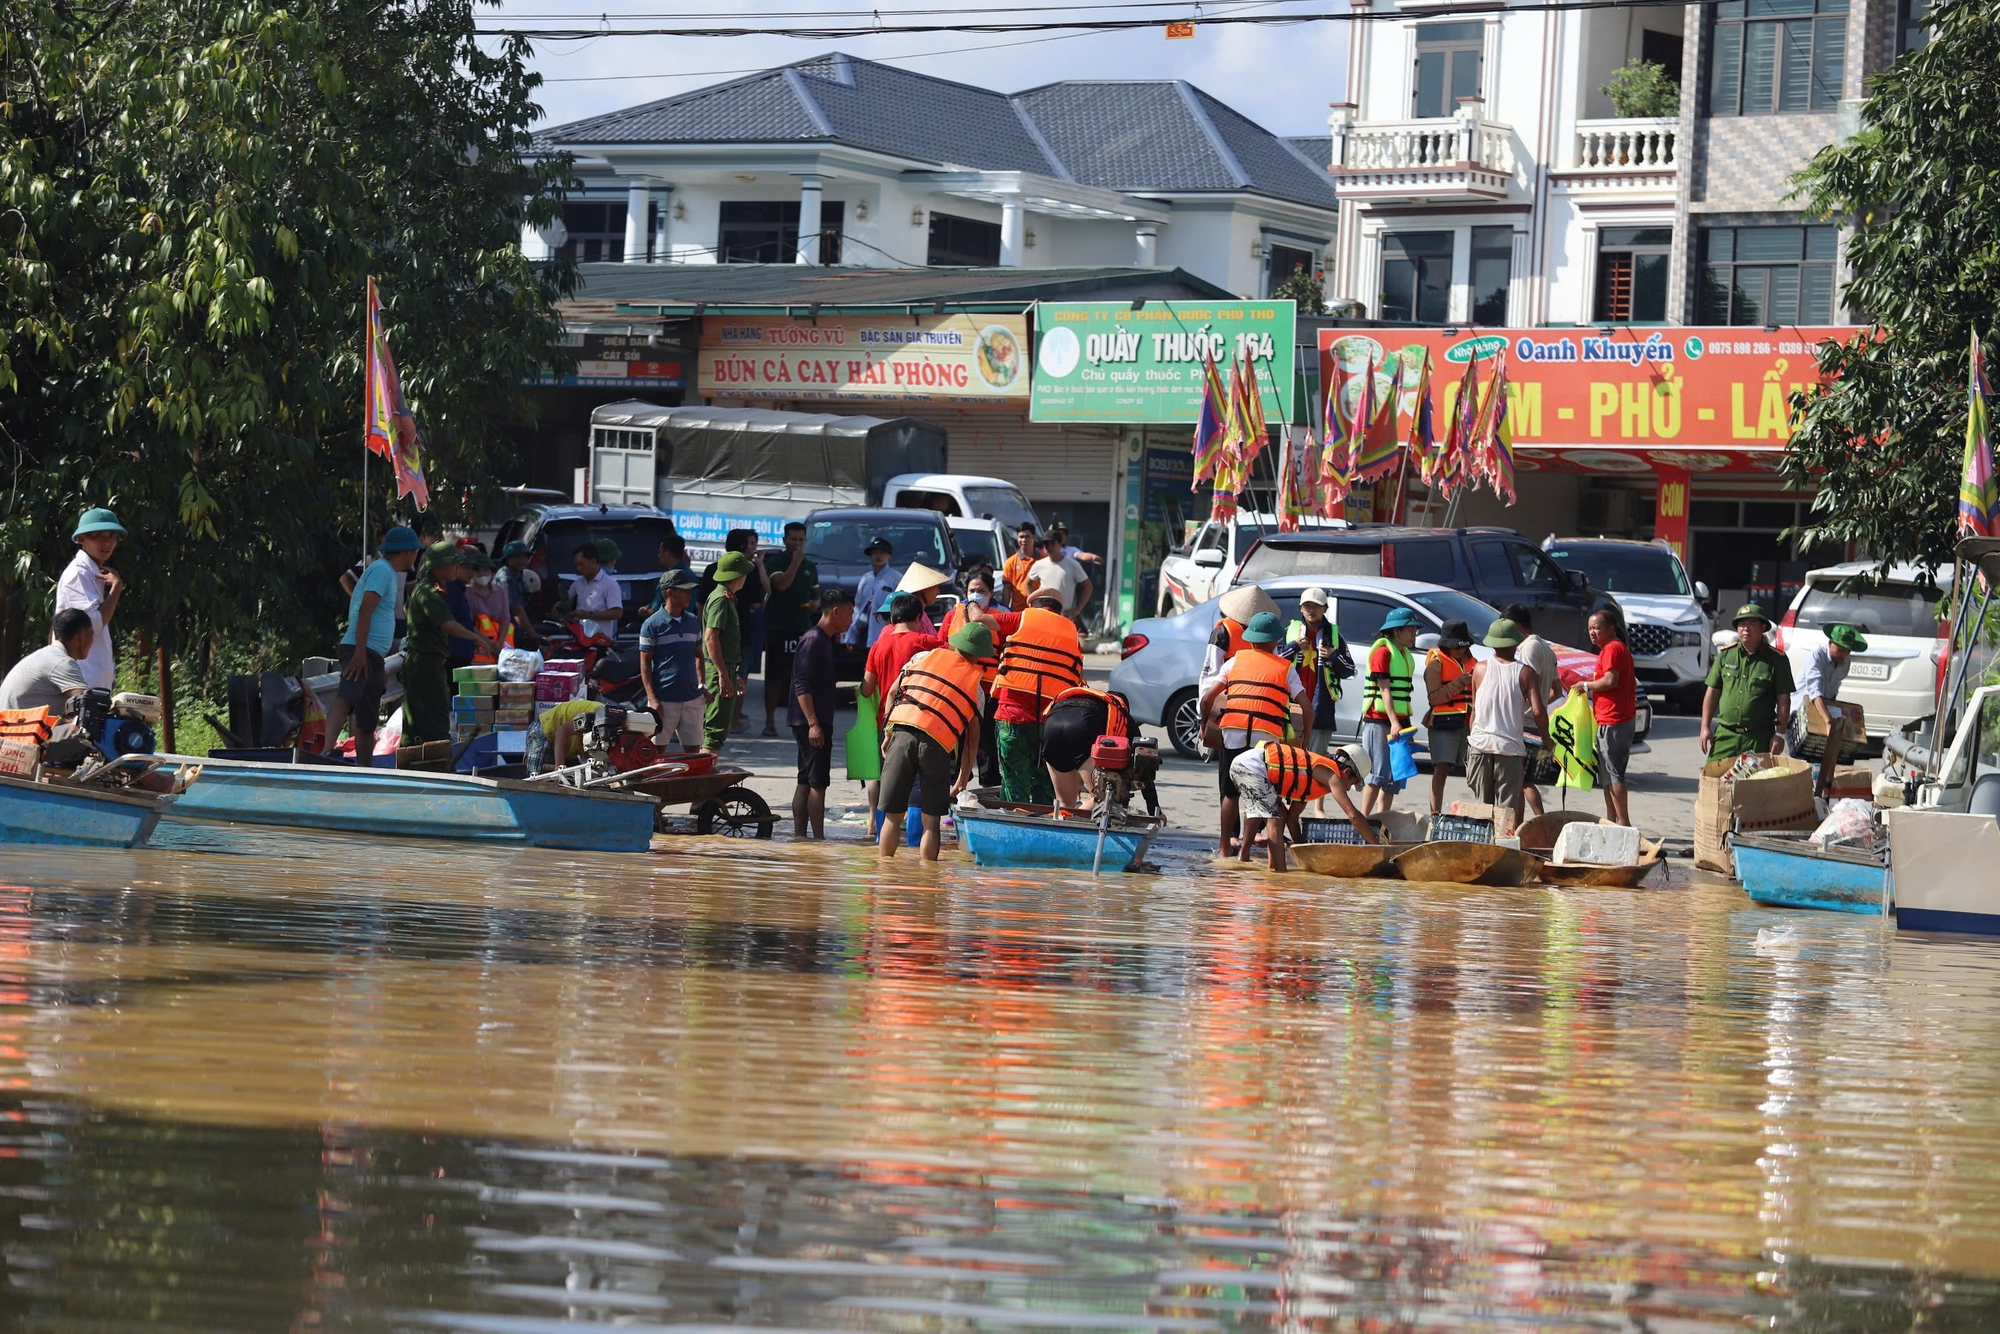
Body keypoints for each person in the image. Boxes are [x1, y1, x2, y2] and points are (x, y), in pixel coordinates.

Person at [877, 621, 994, 860]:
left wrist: (888, 733)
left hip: (903, 735)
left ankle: (884, 879)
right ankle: (928, 886)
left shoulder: (922, 657)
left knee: (893, 815)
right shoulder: (976, 686)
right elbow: (973, 739)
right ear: (980, 655)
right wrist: (962, 778)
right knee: (931, 822)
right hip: (937, 747)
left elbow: (891, 693)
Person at [1201, 610, 1314, 858]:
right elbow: (1307, 708)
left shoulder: (1234, 662)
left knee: (1230, 793)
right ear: (1275, 641)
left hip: (1233, 732)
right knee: (1258, 793)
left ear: (1250, 639)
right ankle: (1246, 849)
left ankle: (1223, 848)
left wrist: (1202, 724)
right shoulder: (1285, 668)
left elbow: (1208, 698)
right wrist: (1304, 739)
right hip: (1266, 739)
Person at [325, 526, 422, 763]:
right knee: (348, 694)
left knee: (367, 716)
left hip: (373, 652)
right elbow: (365, 610)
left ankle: (365, 768)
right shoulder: (381, 571)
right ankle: (327, 749)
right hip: (361, 649)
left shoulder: (387, 572)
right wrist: (359, 653)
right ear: (408, 552)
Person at [991, 586, 1085, 805]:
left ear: (1033, 606)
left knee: (1014, 781)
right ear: (1058, 611)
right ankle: (1041, 830)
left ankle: (1014, 827)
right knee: (1045, 782)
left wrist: (971, 605)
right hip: (1051, 721)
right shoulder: (1071, 631)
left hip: (1012, 715)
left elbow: (983, 620)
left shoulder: (1023, 618)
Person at [862, 593, 943, 829]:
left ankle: (881, 844)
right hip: (919, 723)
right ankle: (914, 845)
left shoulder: (878, 646)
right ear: (919, 617)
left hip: (886, 723)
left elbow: (867, 689)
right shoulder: (926, 643)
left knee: (887, 784)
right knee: (917, 787)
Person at [404, 543, 496, 745]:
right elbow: (448, 623)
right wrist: (476, 638)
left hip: (430, 661)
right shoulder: (430, 592)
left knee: (424, 721)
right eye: (455, 563)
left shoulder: (436, 589)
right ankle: (436, 769)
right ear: (439, 565)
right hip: (425, 662)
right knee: (433, 721)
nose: (458, 567)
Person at [1230, 744, 1373, 872]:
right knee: (1276, 820)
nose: (1348, 789)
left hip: (1247, 765)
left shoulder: (1311, 779)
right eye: (1352, 783)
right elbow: (1353, 815)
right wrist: (1376, 846)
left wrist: (1303, 850)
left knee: (1279, 813)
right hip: (1251, 767)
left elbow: (1292, 819)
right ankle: (1279, 873)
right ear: (1347, 772)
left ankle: (1249, 859)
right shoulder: (1333, 777)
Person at [1465, 618, 1552, 827]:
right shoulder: (1526, 673)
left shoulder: (1479, 669)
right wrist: (1548, 740)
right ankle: (1504, 854)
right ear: (1515, 644)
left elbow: (1474, 712)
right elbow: (1539, 711)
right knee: (1506, 814)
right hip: (1509, 750)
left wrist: (1475, 741)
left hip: (1479, 747)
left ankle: (1482, 852)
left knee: (1482, 811)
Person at [788, 587, 853, 839]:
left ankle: (800, 837)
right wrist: (813, 723)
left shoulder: (824, 639)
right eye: (848, 613)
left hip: (813, 719)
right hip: (811, 721)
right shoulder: (814, 639)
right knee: (817, 782)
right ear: (835, 612)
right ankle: (817, 839)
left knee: (805, 779)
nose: (850, 619)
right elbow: (801, 683)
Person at [1283, 588, 1353, 816]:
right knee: (1290, 757)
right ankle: (1286, 806)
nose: (1311, 610)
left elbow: (1350, 669)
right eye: (1307, 606)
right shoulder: (1290, 632)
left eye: (1316, 606)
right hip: (1292, 704)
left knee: (1319, 759)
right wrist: (1294, 647)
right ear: (1301, 608)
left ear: (1325, 609)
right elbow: (1275, 660)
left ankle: (1318, 807)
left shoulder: (1335, 636)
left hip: (1321, 705)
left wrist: (1333, 655)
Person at [945, 569, 1016, 787]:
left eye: (982, 591)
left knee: (986, 745)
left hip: (988, 689)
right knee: (956, 741)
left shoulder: (998, 618)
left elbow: (1008, 650)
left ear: (991, 593)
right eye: (972, 590)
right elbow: (943, 646)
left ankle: (989, 790)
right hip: (957, 688)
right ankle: (956, 790)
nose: (976, 595)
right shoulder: (952, 614)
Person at [1039, 686, 1158, 815]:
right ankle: (1077, 819)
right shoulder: (1122, 713)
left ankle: (1063, 825)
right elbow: (1144, 765)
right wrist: (1155, 810)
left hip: (1052, 727)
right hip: (1082, 726)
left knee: (1063, 803)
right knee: (1104, 799)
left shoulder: (1094, 701)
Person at [1701, 603, 1795, 763]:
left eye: (1752, 624)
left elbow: (1784, 700)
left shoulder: (1777, 660)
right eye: (1742, 624)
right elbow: (1712, 692)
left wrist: (1779, 734)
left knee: (1755, 785)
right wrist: (1705, 726)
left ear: (1763, 627)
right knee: (1714, 781)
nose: (1746, 629)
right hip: (1726, 734)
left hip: (1759, 737)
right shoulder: (1726, 655)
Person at [1358, 607, 1422, 817]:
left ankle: (1381, 820)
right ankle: (1363, 820)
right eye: (1410, 630)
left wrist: (1404, 727)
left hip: (1398, 721)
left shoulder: (1404, 654)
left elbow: (1402, 696)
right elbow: (1384, 689)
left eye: (1414, 630)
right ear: (1396, 632)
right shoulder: (1382, 652)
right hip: (1378, 720)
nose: (1414, 635)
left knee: (1394, 777)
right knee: (1377, 775)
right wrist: (1394, 722)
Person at [56, 508, 127, 691]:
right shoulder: (79, 573)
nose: (107, 542)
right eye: (97, 535)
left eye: (112, 535)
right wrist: (116, 589)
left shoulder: (92, 572)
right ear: (81, 539)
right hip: (80, 680)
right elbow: (93, 622)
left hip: (91, 681)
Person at [761, 521, 819, 739]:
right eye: (793, 539)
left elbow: (815, 594)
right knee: (774, 676)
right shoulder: (776, 561)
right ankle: (769, 722)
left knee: (802, 676)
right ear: (785, 540)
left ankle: (802, 720)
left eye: (800, 540)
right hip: (778, 626)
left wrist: (816, 603)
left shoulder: (810, 566)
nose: (797, 544)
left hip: (802, 628)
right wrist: (795, 563)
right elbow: (781, 585)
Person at [1579, 608, 1638, 826]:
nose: (1592, 633)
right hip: (1607, 719)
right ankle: (1612, 820)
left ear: (1611, 628)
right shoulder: (1608, 650)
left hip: (1615, 720)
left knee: (1614, 774)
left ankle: (1623, 823)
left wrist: (1585, 686)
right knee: (1606, 776)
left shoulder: (1613, 649)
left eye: (1596, 628)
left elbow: (1610, 681)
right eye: (1589, 629)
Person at [1503, 604, 1562, 818]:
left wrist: (1528, 708)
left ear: (1517, 626)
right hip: (1535, 720)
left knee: (1523, 781)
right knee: (1520, 781)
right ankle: (1520, 826)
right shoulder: (1546, 648)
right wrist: (1538, 705)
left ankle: (1540, 821)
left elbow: (1526, 682)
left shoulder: (1527, 649)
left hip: (1525, 724)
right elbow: (1557, 690)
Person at [1797, 622, 1867, 798]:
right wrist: (1828, 720)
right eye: (1840, 649)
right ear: (1830, 643)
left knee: (1824, 760)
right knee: (1800, 763)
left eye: (1847, 650)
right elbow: (1815, 692)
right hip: (1801, 711)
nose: (1843, 654)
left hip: (1825, 707)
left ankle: (1820, 797)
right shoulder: (1817, 655)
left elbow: (1832, 692)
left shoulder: (1845, 662)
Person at [639, 569, 705, 751]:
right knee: (656, 754)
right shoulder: (652, 625)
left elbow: (699, 655)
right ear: (670, 593)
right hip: (664, 701)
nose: (689, 595)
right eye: (684, 590)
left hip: (692, 700)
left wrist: (702, 686)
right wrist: (653, 700)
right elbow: (644, 665)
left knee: (693, 754)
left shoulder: (693, 621)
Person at [1421, 619, 1476, 816]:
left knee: (1476, 771)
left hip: (1468, 723)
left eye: (1463, 647)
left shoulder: (1474, 662)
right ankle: (1435, 814)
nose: (1461, 652)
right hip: (1443, 724)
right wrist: (1459, 684)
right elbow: (1434, 698)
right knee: (1441, 769)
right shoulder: (1436, 663)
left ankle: (1481, 813)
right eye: (1456, 648)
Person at [701, 550, 753, 753]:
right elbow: (710, 638)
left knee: (718, 729)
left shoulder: (726, 598)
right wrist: (723, 674)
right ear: (738, 576)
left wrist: (732, 672)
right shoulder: (720, 600)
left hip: (724, 668)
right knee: (714, 732)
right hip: (717, 671)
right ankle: (705, 777)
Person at [0, 610, 94, 712]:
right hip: (25, 727)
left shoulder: (43, 656)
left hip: (11, 725)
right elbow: (88, 705)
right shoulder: (61, 662)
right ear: (82, 636)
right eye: (92, 634)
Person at [848, 538, 900, 648]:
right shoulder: (866, 579)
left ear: (890, 556)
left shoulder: (897, 578)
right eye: (875, 553)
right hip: (865, 632)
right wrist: (852, 634)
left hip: (887, 633)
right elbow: (857, 608)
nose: (878, 556)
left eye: (882, 552)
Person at [563, 542, 624, 637]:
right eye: (577, 565)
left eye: (582, 564)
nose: (579, 568)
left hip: (601, 643)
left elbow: (617, 613)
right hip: (579, 641)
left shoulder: (610, 584)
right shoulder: (577, 584)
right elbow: (566, 604)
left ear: (593, 561)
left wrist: (589, 615)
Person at [462, 551, 513, 663]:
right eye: (478, 571)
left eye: (486, 570)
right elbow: (469, 623)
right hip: (478, 649)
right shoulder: (467, 593)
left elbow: (505, 619)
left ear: (491, 571)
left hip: (502, 649)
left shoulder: (501, 592)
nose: (482, 574)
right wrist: (488, 643)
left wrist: (499, 643)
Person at [1028, 533, 1092, 619]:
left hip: (1064, 616)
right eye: (1046, 544)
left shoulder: (1072, 565)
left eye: (1052, 543)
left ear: (1060, 543)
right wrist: (1034, 605)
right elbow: (1027, 583)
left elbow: (1088, 586)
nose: (1049, 547)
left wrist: (1078, 609)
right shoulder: (1039, 564)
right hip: (1044, 616)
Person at [495, 541, 540, 647]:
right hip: (504, 628)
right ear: (508, 559)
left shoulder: (518, 574)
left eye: (525, 556)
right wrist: (533, 634)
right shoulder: (507, 578)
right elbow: (516, 610)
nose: (522, 560)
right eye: (516, 557)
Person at [1001, 524, 1040, 610]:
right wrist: (1005, 609)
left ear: (1034, 537)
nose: (1024, 540)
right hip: (1018, 611)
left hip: (1038, 609)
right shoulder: (1010, 562)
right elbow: (1007, 589)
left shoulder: (1043, 560)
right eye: (1021, 537)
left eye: (1027, 537)